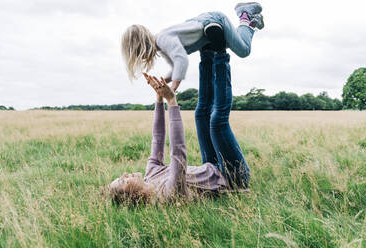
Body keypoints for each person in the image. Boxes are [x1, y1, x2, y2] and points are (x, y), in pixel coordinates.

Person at [108, 47, 250, 204]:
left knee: (201, 115)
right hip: (231, 176)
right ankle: (221, 53)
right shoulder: (167, 195)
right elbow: (178, 155)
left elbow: (158, 138)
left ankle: (207, 50)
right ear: (133, 196)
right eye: (122, 181)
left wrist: (159, 99)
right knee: (217, 122)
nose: (125, 174)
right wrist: (172, 101)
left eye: (120, 177)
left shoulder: (150, 175)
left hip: (210, 165)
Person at [121, 2, 264, 92]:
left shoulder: (163, 39)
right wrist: (163, 82)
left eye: (139, 54)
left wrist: (174, 87)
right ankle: (251, 22)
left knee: (244, 51)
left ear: (142, 48)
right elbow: (176, 67)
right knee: (234, 44)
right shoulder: (163, 46)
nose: (144, 58)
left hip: (213, 20)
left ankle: (245, 14)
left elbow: (181, 60)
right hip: (206, 31)